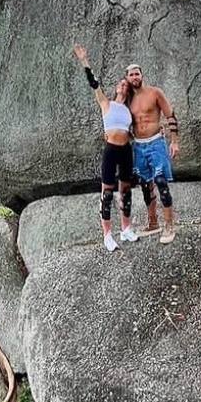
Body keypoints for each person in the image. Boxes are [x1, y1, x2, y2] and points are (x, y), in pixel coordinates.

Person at [73, 44, 139, 252]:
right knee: (107, 192)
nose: (123, 86)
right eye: (121, 84)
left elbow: (136, 131)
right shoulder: (106, 103)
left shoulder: (129, 111)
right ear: (117, 88)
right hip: (111, 150)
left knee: (126, 191)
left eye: (125, 85)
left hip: (126, 150)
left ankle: (126, 228)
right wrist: (84, 61)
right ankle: (108, 235)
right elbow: (94, 83)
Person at [124, 62, 181, 244]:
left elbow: (170, 115)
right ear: (127, 78)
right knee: (145, 184)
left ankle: (169, 224)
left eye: (137, 74)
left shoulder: (155, 93)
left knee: (161, 182)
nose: (135, 77)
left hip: (156, 142)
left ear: (142, 75)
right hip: (139, 146)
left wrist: (174, 141)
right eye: (131, 75)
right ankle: (153, 223)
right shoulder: (127, 99)